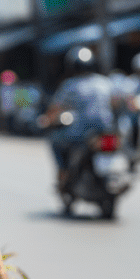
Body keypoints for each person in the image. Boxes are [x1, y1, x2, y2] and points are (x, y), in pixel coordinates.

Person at [42, 46, 115, 186]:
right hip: (106, 129)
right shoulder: (104, 82)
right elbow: (115, 103)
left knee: (55, 141)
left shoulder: (69, 85)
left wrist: (47, 119)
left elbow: (55, 108)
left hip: (80, 133)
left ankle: (63, 172)